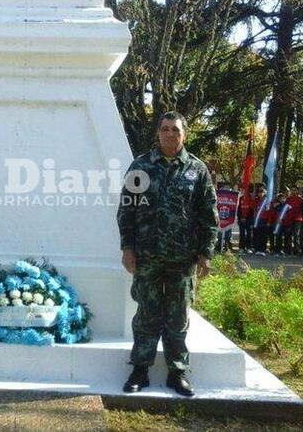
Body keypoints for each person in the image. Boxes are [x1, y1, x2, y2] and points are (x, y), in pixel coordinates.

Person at [116, 111, 217, 397]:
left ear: (185, 134)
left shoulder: (197, 170)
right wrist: (127, 247)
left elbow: (208, 215)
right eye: (165, 129)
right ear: (158, 133)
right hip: (147, 256)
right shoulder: (141, 166)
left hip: (182, 258)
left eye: (175, 129)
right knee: (146, 314)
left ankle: (177, 372)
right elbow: (127, 210)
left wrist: (205, 253)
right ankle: (140, 370)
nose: (170, 134)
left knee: (177, 316)